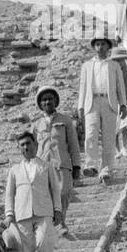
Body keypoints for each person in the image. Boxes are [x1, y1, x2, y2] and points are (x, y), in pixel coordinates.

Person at [4, 129, 62, 252]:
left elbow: (55, 190)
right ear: (19, 148)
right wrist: (9, 213)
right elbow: (9, 193)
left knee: (45, 241)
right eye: (22, 145)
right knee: (26, 250)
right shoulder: (14, 170)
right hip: (22, 213)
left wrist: (57, 209)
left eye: (29, 143)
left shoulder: (46, 166)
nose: (26, 147)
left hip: (44, 210)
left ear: (36, 145)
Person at [75, 36, 127, 184]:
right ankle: (91, 165)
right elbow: (83, 87)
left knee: (109, 137)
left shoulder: (114, 65)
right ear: (94, 47)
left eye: (103, 44)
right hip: (91, 102)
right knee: (91, 134)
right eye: (97, 44)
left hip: (109, 102)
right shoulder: (87, 66)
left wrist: (123, 104)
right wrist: (80, 106)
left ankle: (106, 170)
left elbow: (120, 86)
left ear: (108, 46)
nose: (100, 47)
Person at [32, 85, 81, 237]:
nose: (47, 103)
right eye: (44, 100)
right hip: (42, 165)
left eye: (50, 99)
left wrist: (77, 165)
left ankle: (61, 220)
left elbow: (73, 144)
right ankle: (55, 225)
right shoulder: (36, 124)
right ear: (40, 104)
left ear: (55, 101)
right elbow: (32, 147)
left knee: (64, 192)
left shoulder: (65, 121)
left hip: (62, 163)